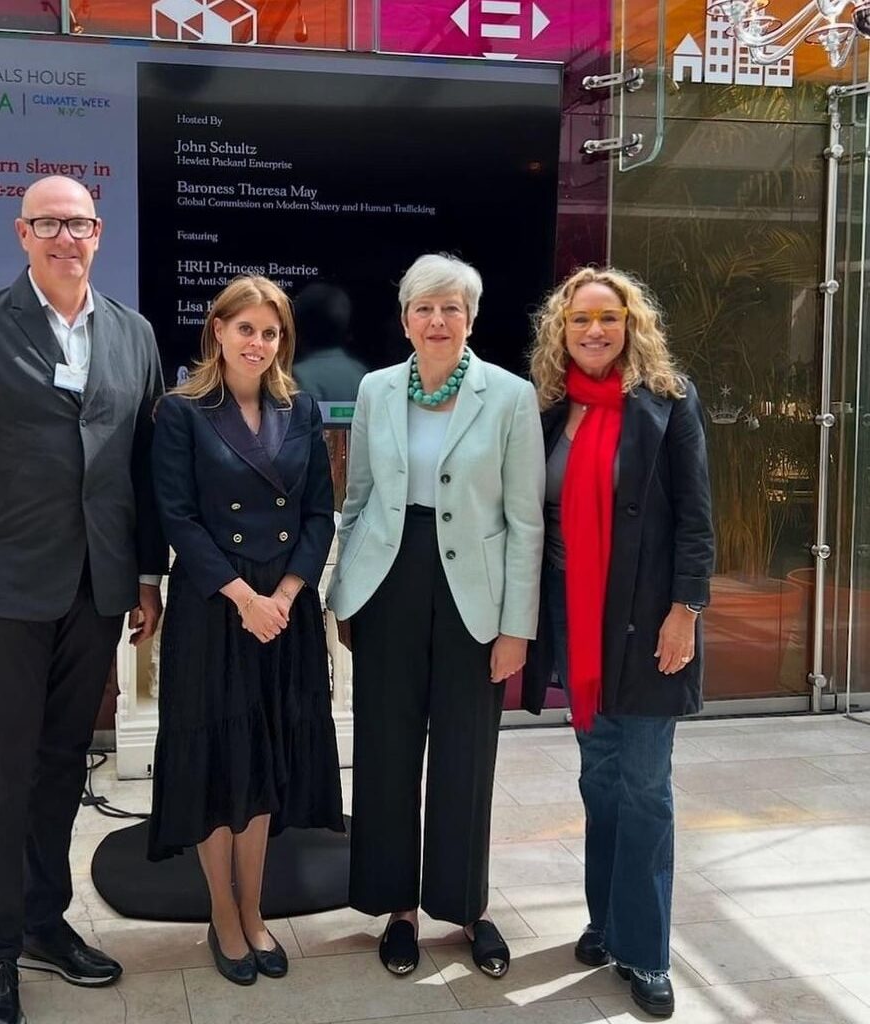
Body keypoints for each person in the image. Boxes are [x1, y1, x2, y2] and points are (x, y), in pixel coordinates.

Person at [0, 176, 167, 1024]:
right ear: (23, 233)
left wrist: (144, 575)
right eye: (50, 224)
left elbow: (143, 468)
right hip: (6, 596)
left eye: (81, 224)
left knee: (63, 767)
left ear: (100, 234)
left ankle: (40, 920)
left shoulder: (133, 335)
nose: (68, 238)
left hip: (97, 593)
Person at [327, 253, 545, 979]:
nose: (438, 320)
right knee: (386, 750)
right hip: (388, 580)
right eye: (424, 308)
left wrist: (516, 626)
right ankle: (398, 909)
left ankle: (466, 906)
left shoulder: (511, 396)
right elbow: (356, 500)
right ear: (405, 320)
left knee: (466, 752)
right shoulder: (375, 388)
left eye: (451, 307)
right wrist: (343, 594)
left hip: (473, 594)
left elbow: (524, 521)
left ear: (472, 318)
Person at [522, 267, 714, 1019]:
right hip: (576, 617)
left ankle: (646, 950)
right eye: (579, 321)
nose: (594, 330)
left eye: (608, 317)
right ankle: (604, 920)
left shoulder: (668, 403)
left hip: (644, 619)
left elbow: (696, 518)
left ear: (631, 324)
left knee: (644, 785)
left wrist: (686, 610)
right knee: (599, 780)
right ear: (560, 331)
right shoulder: (549, 409)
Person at [147, 275, 344, 986]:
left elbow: (321, 512)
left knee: (262, 762)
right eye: (245, 330)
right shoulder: (183, 411)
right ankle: (222, 918)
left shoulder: (303, 407)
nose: (257, 344)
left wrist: (288, 593)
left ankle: (254, 909)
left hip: (281, 612)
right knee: (217, 764)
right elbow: (178, 517)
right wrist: (244, 598)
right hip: (215, 606)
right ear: (218, 332)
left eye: (270, 332)